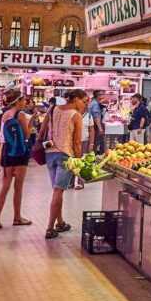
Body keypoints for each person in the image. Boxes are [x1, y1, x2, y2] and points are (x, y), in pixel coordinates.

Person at [44, 88, 89, 240]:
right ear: (75, 99)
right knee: (58, 192)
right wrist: (79, 163)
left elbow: (43, 128)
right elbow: (77, 143)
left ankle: (60, 222)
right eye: (84, 101)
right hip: (65, 155)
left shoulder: (54, 109)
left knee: (58, 190)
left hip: (50, 154)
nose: (84, 105)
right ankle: (50, 228)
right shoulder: (76, 115)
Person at [0, 90, 32, 230]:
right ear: (17, 101)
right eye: (23, 100)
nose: (25, 102)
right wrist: (31, 123)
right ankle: (17, 217)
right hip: (20, 152)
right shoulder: (20, 115)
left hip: (7, 151)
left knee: (5, 186)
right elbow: (27, 134)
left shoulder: (5, 115)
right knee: (18, 187)